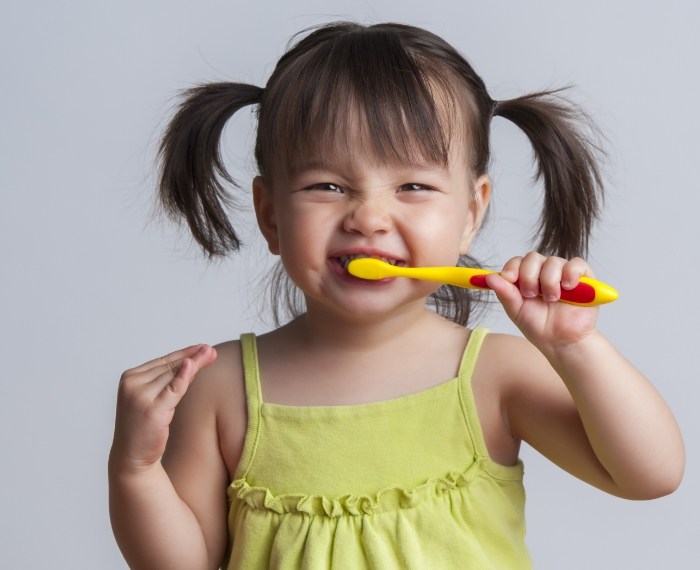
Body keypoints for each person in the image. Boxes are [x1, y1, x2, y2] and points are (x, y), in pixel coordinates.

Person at [108, 22, 684, 569]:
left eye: (413, 186)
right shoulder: (220, 387)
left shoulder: (494, 375)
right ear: (270, 215)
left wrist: (576, 349)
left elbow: (649, 475)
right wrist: (135, 468)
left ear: (471, 212)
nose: (369, 218)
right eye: (327, 186)